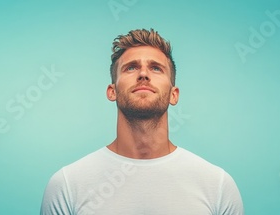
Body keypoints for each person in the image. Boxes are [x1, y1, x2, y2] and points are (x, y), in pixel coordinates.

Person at [40, 28, 244, 215]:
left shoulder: (217, 186)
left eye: (156, 68)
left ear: (174, 95)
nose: (143, 74)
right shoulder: (67, 185)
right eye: (131, 68)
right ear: (112, 92)